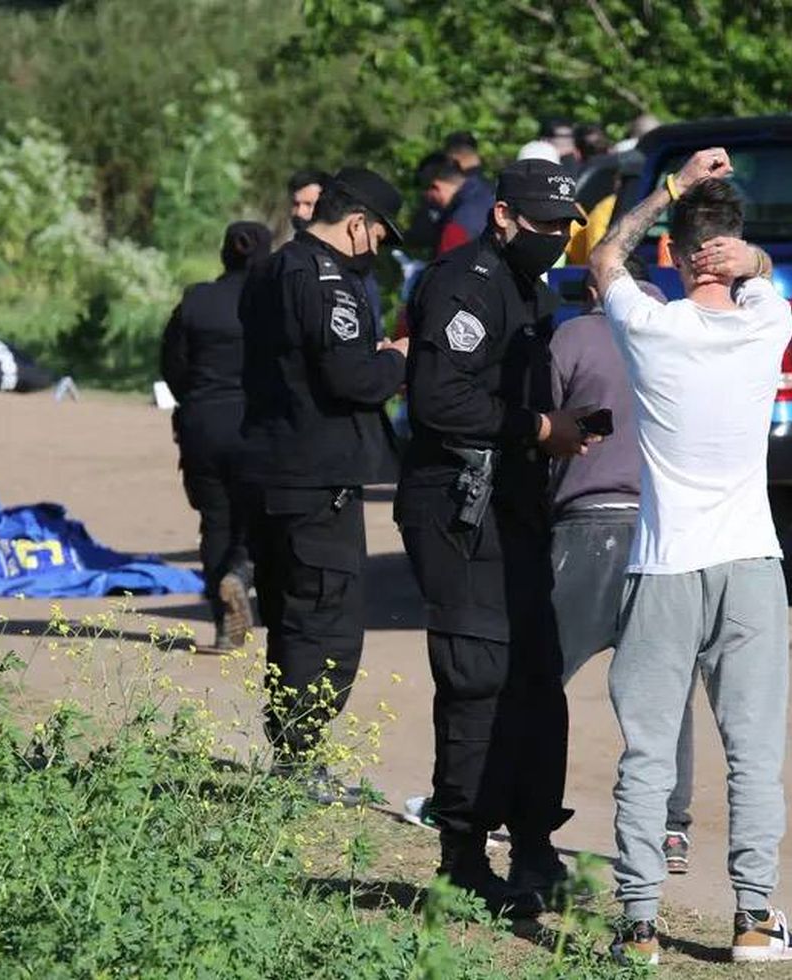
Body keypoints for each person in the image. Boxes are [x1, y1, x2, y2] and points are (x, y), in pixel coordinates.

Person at [589, 151, 792, 966]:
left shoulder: (650, 326)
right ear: (734, 251)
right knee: (754, 752)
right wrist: (751, 261)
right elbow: (764, 273)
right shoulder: (768, 320)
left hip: (666, 563)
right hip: (751, 562)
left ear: (676, 257)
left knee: (648, 749)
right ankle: (754, 920)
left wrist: (668, 189)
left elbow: (603, 253)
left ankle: (640, 925)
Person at [396, 158, 594, 916]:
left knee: (537, 676)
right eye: (543, 224)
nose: (554, 238)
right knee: (478, 677)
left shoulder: (528, 288)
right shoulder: (463, 284)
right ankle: (463, 858)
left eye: (564, 228)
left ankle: (535, 846)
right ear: (504, 214)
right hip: (457, 506)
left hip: (513, 503)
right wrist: (541, 429)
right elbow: (439, 400)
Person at [239, 167, 409, 801]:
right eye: (381, 237)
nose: (381, 249)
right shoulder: (326, 279)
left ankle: (292, 757)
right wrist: (397, 357)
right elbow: (352, 379)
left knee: (290, 616)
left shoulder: (271, 268)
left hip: (273, 468)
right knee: (326, 622)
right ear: (358, 224)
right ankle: (300, 763)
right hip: (317, 476)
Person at [548, 258, 698, 875]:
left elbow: (539, 428)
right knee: (668, 691)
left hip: (586, 528)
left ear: (594, 288)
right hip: (665, 534)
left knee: (536, 678)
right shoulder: (678, 334)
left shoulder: (575, 336)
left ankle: (516, 805)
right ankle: (670, 829)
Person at [160, 221, 272, 652]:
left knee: (216, 522)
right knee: (261, 518)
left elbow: (171, 364)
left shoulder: (197, 299)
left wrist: (196, 401)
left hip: (202, 425)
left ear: (225, 254)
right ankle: (240, 575)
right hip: (257, 425)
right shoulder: (273, 302)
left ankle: (224, 626)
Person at [419, 153, 494, 256]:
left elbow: (448, 270)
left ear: (436, 187)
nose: (429, 200)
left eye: (427, 193)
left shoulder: (457, 225)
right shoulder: (494, 192)